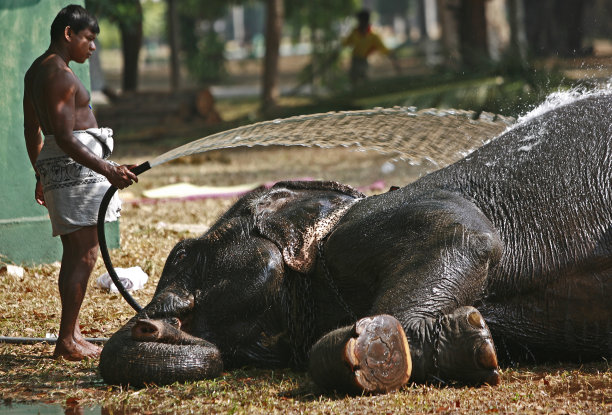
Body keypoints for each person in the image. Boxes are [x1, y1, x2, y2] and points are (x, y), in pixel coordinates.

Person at [23, 4, 138, 361]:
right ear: (68, 34)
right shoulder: (58, 74)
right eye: (88, 38)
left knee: (74, 252)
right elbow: (66, 136)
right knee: (85, 253)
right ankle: (66, 341)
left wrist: (41, 171)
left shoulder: (37, 71)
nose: (92, 46)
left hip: (66, 169)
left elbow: (32, 129)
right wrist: (107, 168)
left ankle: (70, 334)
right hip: (77, 172)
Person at [342, 9, 398, 86]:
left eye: (362, 20)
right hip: (355, 60)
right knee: (353, 80)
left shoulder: (372, 36)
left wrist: (392, 57)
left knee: (365, 80)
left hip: (365, 60)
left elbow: (383, 48)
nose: (360, 22)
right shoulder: (355, 32)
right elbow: (345, 43)